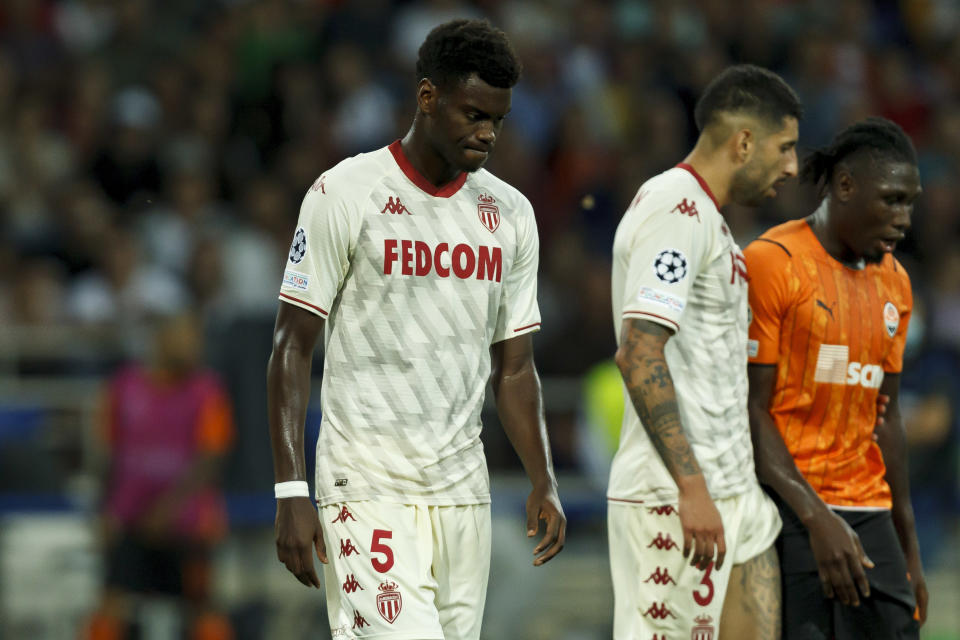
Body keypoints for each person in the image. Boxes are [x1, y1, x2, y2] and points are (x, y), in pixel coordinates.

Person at [266, 19, 565, 640]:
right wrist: (291, 488)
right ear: (427, 97)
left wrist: (544, 476)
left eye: (498, 121)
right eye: (474, 114)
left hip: (464, 490)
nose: (487, 133)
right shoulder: (346, 192)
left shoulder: (510, 214)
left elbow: (514, 366)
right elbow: (291, 346)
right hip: (367, 482)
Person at [608, 64, 801, 640]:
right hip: (673, 497)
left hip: (735, 495)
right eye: (785, 147)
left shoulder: (711, 226)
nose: (793, 166)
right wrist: (692, 487)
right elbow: (639, 351)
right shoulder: (676, 208)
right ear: (744, 142)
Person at [744, 117, 926, 639]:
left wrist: (907, 545)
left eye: (910, 203)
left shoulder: (896, 282)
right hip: (788, 503)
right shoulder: (773, 263)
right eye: (892, 200)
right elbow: (752, 410)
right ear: (845, 187)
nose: (904, 218)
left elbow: (883, 417)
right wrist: (816, 518)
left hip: (868, 506)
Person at [84, 312, 235, 640]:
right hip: (130, 521)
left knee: (202, 607)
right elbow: (107, 453)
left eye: (196, 339)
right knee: (112, 603)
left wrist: (168, 510)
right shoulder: (124, 387)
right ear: (162, 339)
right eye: (185, 337)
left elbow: (210, 459)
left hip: (189, 524)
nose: (193, 347)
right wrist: (103, 510)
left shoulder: (207, 391)